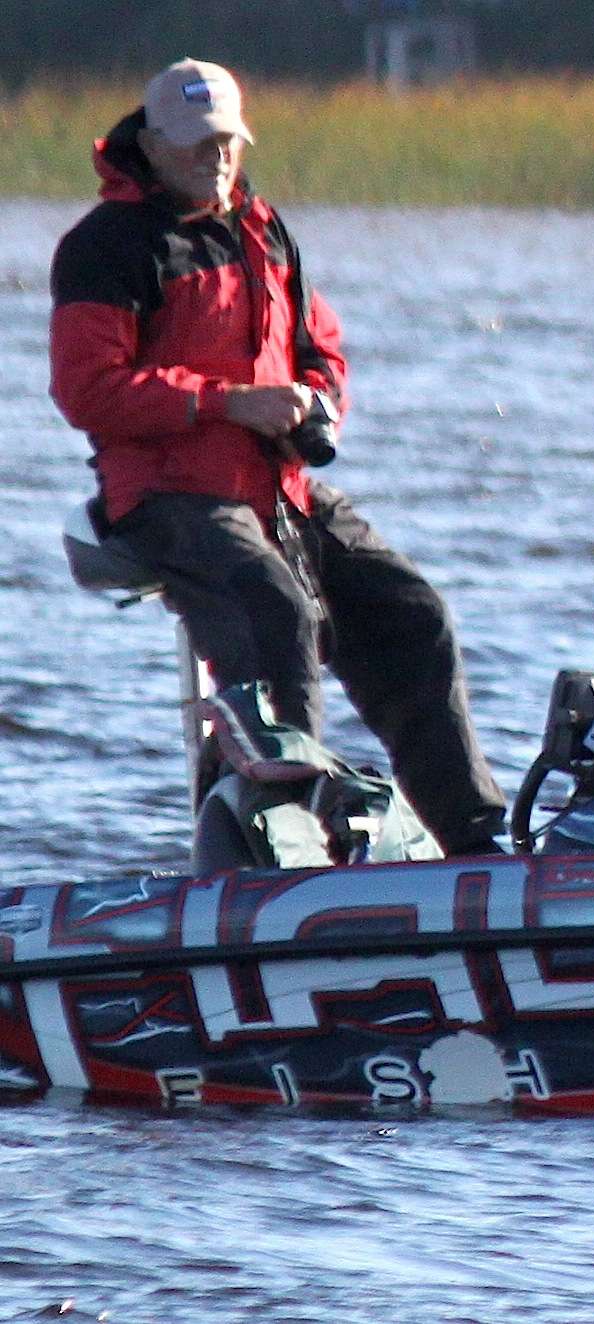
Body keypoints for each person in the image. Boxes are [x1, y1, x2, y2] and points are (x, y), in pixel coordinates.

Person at [49, 58, 508, 856]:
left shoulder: (262, 227)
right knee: (274, 620)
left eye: (225, 140)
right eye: (194, 144)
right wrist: (228, 402)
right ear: (150, 145)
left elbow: (317, 344)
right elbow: (89, 392)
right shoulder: (105, 246)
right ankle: (268, 853)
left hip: (277, 484)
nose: (214, 157)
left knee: (411, 613)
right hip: (166, 492)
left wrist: (316, 399)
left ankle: (475, 847)